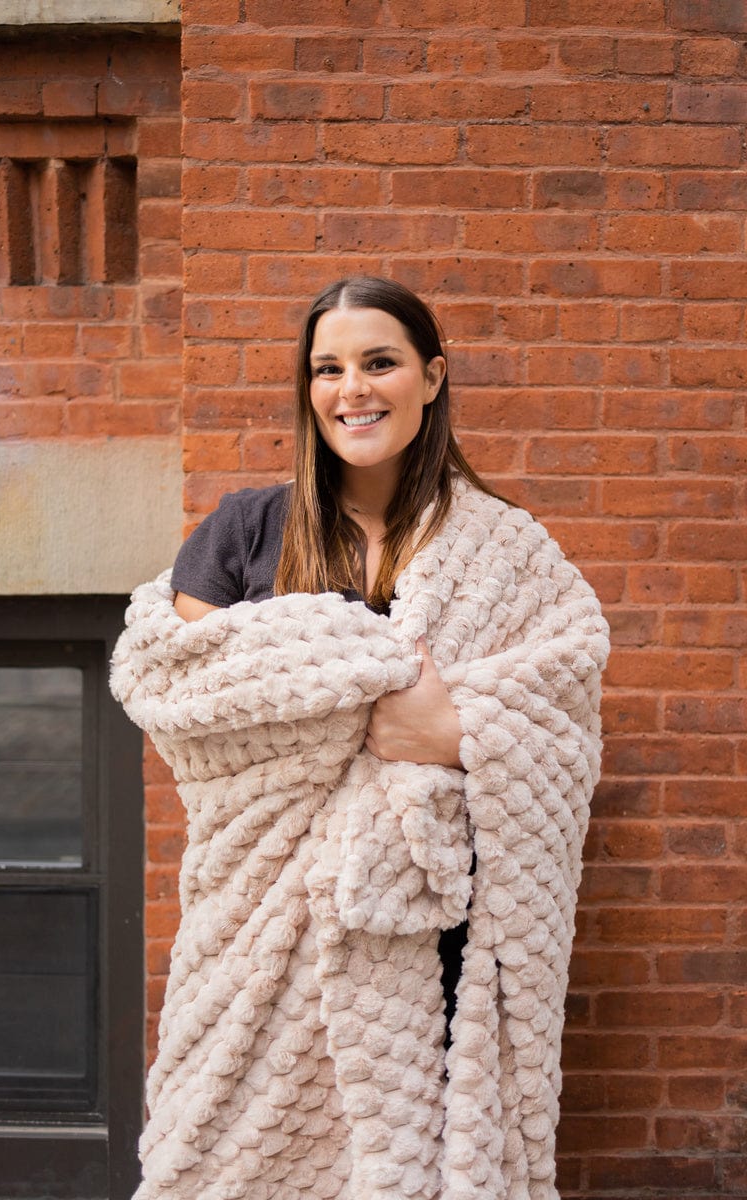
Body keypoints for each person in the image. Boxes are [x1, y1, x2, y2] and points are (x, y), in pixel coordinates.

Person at [111, 276, 609, 1200]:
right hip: (262, 927)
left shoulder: (506, 551)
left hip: (434, 926)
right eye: (328, 369)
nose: (353, 390)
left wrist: (457, 726)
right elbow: (184, 699)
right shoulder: (244, 532)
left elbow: (564, 720)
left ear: (432, 377)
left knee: (423, 1159)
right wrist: (378, 690)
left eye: (380, 363)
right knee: (224, 1154)